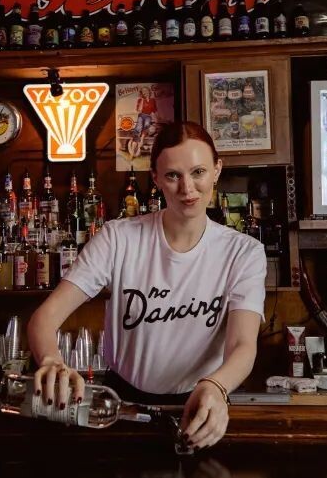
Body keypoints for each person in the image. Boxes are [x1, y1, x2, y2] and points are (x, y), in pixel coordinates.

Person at [28, 121, 266, 449]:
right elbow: (44, 319)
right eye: (173, 175)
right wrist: (52, 361)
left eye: (198, 172)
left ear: (217, 170)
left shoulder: (244, 252)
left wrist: (217, 386)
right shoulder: (118, 238)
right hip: (122, 406)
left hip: (201, 403)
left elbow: (242, 344)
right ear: (155, 178)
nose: (187, 188)